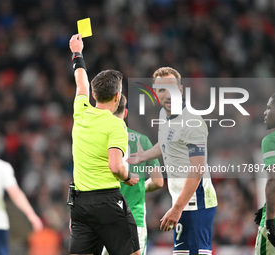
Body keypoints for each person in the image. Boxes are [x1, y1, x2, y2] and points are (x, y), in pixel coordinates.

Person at [129, 67, 217, 255]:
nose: (168, 95)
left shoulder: (192, 123)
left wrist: (177, 208)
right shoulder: (164, 115)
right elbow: (166, 143)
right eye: (162, 90)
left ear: (181, 90)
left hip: (196, 203)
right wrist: (144, 155)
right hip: (181, 202)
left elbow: (197, 169)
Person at [68, 34, 140, 255]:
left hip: (80, 204)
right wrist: (129, 177)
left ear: (94, 93)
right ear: (117, 96)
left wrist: (77, 53)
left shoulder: (80, 111)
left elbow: (80, 80)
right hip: (107, 202)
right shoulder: (116, 125)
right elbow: (115, 166)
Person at [101, 94, 164, 255]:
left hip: (103, 219)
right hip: (134, 218)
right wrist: (140, 184)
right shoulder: (143, 141)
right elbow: (158, 182)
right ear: (126, 113)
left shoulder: (99, 140)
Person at [255, 91, 275, 255]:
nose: (265, 112)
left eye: (269, 108)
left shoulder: (271, 141)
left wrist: (269, 221)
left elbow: (274, 181)